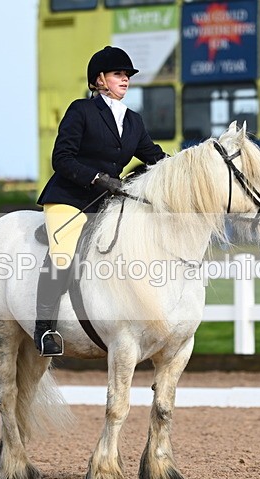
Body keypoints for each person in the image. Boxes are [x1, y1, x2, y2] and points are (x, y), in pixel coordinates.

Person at [34, 46, 167, 356]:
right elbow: (61, 158)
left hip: (106, 202)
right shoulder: (81, 110)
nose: (125, 80)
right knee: (64, 252)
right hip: (69, 197)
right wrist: (96, 178)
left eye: (127, 75)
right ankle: (44, 329)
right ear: (99, 80)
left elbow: (155, 158)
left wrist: (186, 168)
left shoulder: (132, 121)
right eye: (118, 74)